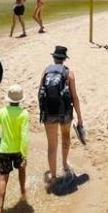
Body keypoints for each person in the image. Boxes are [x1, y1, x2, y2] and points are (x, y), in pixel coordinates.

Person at [37, 44, 85, 187]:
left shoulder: (46, 71)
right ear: (64, 59)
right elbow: (75, 97)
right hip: (65, 112)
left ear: (53, 57)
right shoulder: (69, 73)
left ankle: (52, 177)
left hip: (49, 113)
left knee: (52, 145)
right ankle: (64, 165)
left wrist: (43, 110)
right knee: (65, 138)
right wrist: (80, 117)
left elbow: (39, 92)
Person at [0, 84, 33, 213]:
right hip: (18, 150)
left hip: (4, 150)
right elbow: (25, 137)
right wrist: (24, 154)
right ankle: (23, 193)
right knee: (22, 170)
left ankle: (0, 211)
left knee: (3, 178)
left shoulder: (2, 111)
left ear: (9, 99)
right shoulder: (24, 114)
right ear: (20, 100)